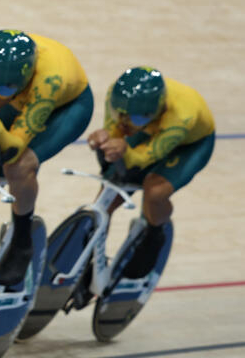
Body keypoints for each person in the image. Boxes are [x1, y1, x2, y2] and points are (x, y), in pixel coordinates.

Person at [0, 30, 93, 286]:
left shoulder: (50, 79)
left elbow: (13, 148)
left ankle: (21, 238)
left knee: (19, 166)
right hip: (17, 99)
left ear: (24, 80)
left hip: (65, 108)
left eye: (1, 89)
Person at [87, 66, 214, 278]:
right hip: (148, 130)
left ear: (158, 110)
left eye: (134, 119)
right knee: (107, 197)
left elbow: (143, 158)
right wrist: (104, 139)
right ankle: (89, 258)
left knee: (154, 192)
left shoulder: (182, 115)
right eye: (120, 114)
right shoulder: (118, 96)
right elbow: (117, 130)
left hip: (189, 145)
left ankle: (155, 236)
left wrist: (124, 150)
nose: (125, 122)